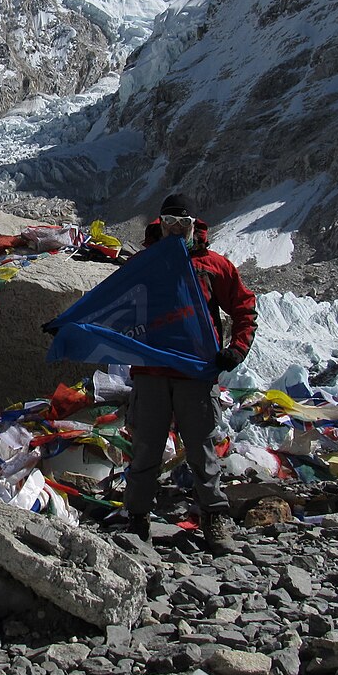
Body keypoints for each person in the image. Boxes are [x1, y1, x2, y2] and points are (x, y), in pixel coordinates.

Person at [125, 192, 256, 555]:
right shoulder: (145, 264)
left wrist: (237, 348)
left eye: (182, 225)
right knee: (146, 447)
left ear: (194, 226)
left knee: (202, 448)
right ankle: (137, 518)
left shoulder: (214, 266)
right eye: (169, 224)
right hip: (152, 371)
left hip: (196, 373)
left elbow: (244, 307)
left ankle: (213, 516)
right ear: (160, 224)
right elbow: (113, 305)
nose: (175, 231)